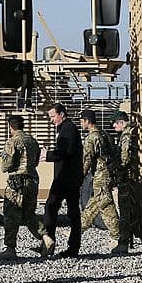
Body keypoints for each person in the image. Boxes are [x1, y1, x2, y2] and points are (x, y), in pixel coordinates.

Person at [0, 115, 55, 260]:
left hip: (17, 182)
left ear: (10, 127)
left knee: (11, 214)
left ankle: (10, 249)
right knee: (29, 215)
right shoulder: (32, 141)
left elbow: (6, 165)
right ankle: (46, 238)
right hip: (32, 181)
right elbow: (36, 162)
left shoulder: (12, 141)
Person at [42, 102, 83, 257]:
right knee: (70, 211)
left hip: (66, 177)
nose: (52, 120)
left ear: (61, 114)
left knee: (52, 207)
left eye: (53, 116)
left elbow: (66, 152)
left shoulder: (68, 129)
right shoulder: (66, 128)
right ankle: (69, 247)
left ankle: (50, 243)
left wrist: (48, 155)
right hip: (69, 176)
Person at [112, 110, 142, 254]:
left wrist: (115, 167)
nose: (114, 127)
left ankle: (123, 244)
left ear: (121, 122)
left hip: (126, 181)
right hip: (133, 181)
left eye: (115, 124)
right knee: (135, 213)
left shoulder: (126, 136)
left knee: (125, 214)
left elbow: (124, 159)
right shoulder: (133, 132)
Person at [79, 109, 119, 244]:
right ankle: (78, 230)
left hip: (100, 174)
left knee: (106, 205)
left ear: (87, 121)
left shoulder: (91, 138)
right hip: (107, 172)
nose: (81, 124)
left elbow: (87, 160)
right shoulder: (104, 134)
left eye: (82, 121)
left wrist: (79, 178)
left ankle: (116, 236)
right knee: (94, 203)